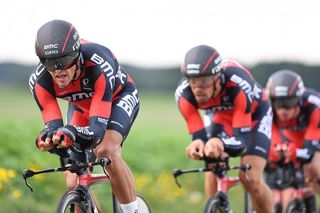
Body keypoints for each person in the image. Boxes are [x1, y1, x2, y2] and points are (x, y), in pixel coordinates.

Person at [29, 19, 140, 213]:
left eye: (64, 60)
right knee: (73, 179)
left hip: (116, 99)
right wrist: (49, 138)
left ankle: (132, 210)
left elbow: (97, 131)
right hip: (82, 107)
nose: (58, 70)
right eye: (49, 62)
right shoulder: (39, 81)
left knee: (106, 150)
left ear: (77, 54)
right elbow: (53, 125)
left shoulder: (98, 63)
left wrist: (72, 132)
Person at [175, 45, 274, 213]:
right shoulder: (183, 95)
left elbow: (241, 142)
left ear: (217, 77)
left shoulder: (238, 84)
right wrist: (198, 145)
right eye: (193, 81)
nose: (198, 88)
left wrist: (220, 142)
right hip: (221, 117)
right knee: (212, 164)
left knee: (250, 178)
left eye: (204, 81)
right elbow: (198, 136)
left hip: (253, 118)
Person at [265, 69, 320, 211]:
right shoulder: (267, 108)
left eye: (289, 103)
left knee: (313, 167)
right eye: (278, 103)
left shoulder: (313, 105)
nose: (283, 110)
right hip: (293, 138)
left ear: (298, 100)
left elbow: (310, 151)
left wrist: (295, 153)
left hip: (314, 135)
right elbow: (272, 143)